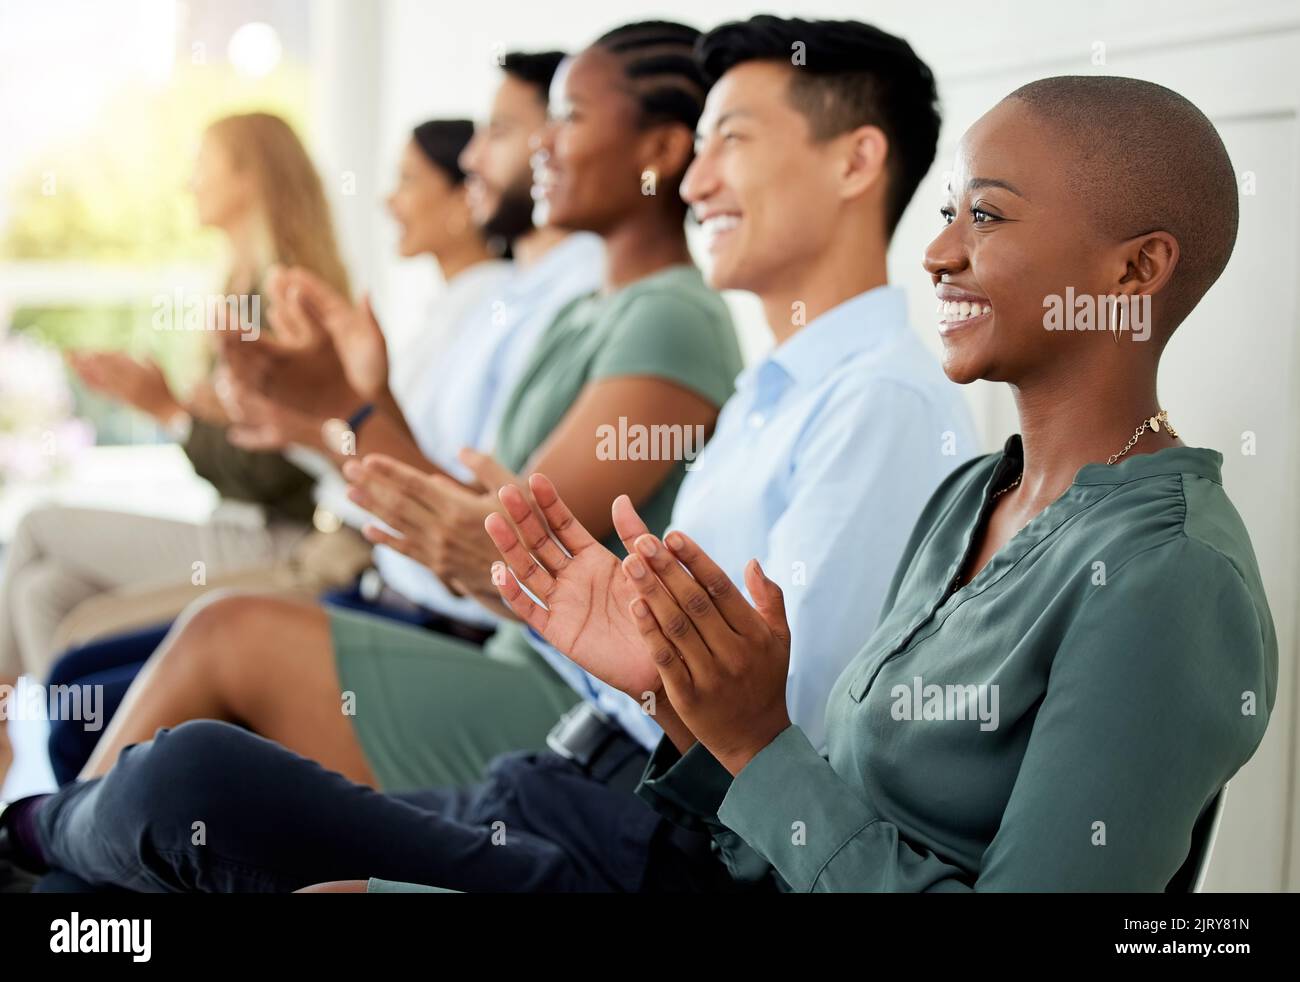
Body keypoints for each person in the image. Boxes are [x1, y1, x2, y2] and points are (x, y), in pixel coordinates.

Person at [1, 17, 972, 896]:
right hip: (566, 764)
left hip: (640, 824)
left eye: (734, 141)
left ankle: (29, 835)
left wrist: (361, 431)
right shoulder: (774, 390)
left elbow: (777, 738)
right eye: (703, 142)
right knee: (173, 783)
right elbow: (617, 639)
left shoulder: (869, 401)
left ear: (856, 162)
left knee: (189, 776)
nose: (697, 181)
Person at [486, 75, 1278, 892]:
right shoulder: (971, 497)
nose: (938, 254)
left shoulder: (1169, 578)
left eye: (989, 215)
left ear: (1135, 271)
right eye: (947, 215)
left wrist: (759, 742)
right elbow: (804, 846)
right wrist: (676, 693)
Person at [70, 21, 740, 794]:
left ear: (657, 152)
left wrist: (345, 411)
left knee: (221, 640)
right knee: (193, 680)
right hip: (509, 657)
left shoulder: (672, 315)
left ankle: (39, 852)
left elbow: (512, 555)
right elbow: (472, 519)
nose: (544, 146)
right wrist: (356, 401)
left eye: (571, 119)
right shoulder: (587, 312)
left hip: (577, 700)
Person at [39, 116, 519, 784]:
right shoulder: (443, 315)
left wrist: (179, 412)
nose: (387, 201)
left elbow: (328, 466)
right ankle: (56, 822)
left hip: (334, 551)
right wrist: (282, 419)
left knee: (74, 646)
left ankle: (57, 826)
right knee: (56, 613)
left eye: (408, 180)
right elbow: (362, 445)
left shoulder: (490, 312)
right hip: (348, 549)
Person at [0, 112, 353, 788]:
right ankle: (79, 793)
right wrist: (175, 408)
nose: (189, 180)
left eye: (205, 162)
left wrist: (171, 411)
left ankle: (20, 763)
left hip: (281, 538)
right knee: (44, 591)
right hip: (241, 525)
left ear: (250, 176)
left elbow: (280, 471)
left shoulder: (288, 292)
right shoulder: (244, 282)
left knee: (39, 525)